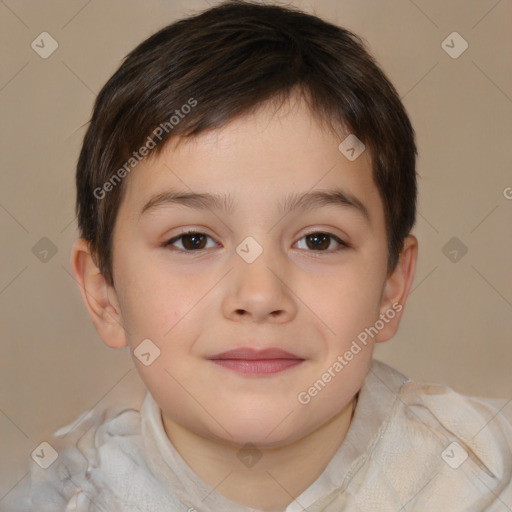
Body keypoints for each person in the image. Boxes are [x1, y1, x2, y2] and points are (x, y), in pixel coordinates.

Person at [4, 1, 511, 510]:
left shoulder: (489, 475)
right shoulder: (61, 498)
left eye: (319, 240)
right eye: (192, 240)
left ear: (392, 287)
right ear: (103, 293)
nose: (260, 295)